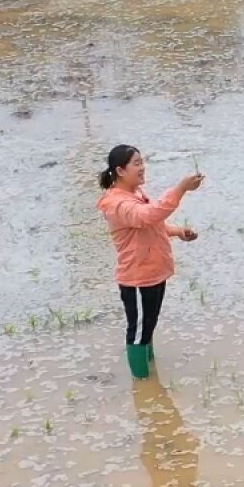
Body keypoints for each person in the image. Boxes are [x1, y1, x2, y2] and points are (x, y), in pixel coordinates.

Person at [96, 144, 202, 380]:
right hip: (137, 279)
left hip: (153, 272)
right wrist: (181, 189)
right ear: (120, 170)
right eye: (136, 163)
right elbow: (147, 216)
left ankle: (150, 373)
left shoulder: (134, 194)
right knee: (138, 332)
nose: (142, 168)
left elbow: (152, 224)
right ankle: (142, 383)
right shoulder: (117, 204)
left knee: (148, 325)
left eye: (142, 162)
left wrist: (177, 231)